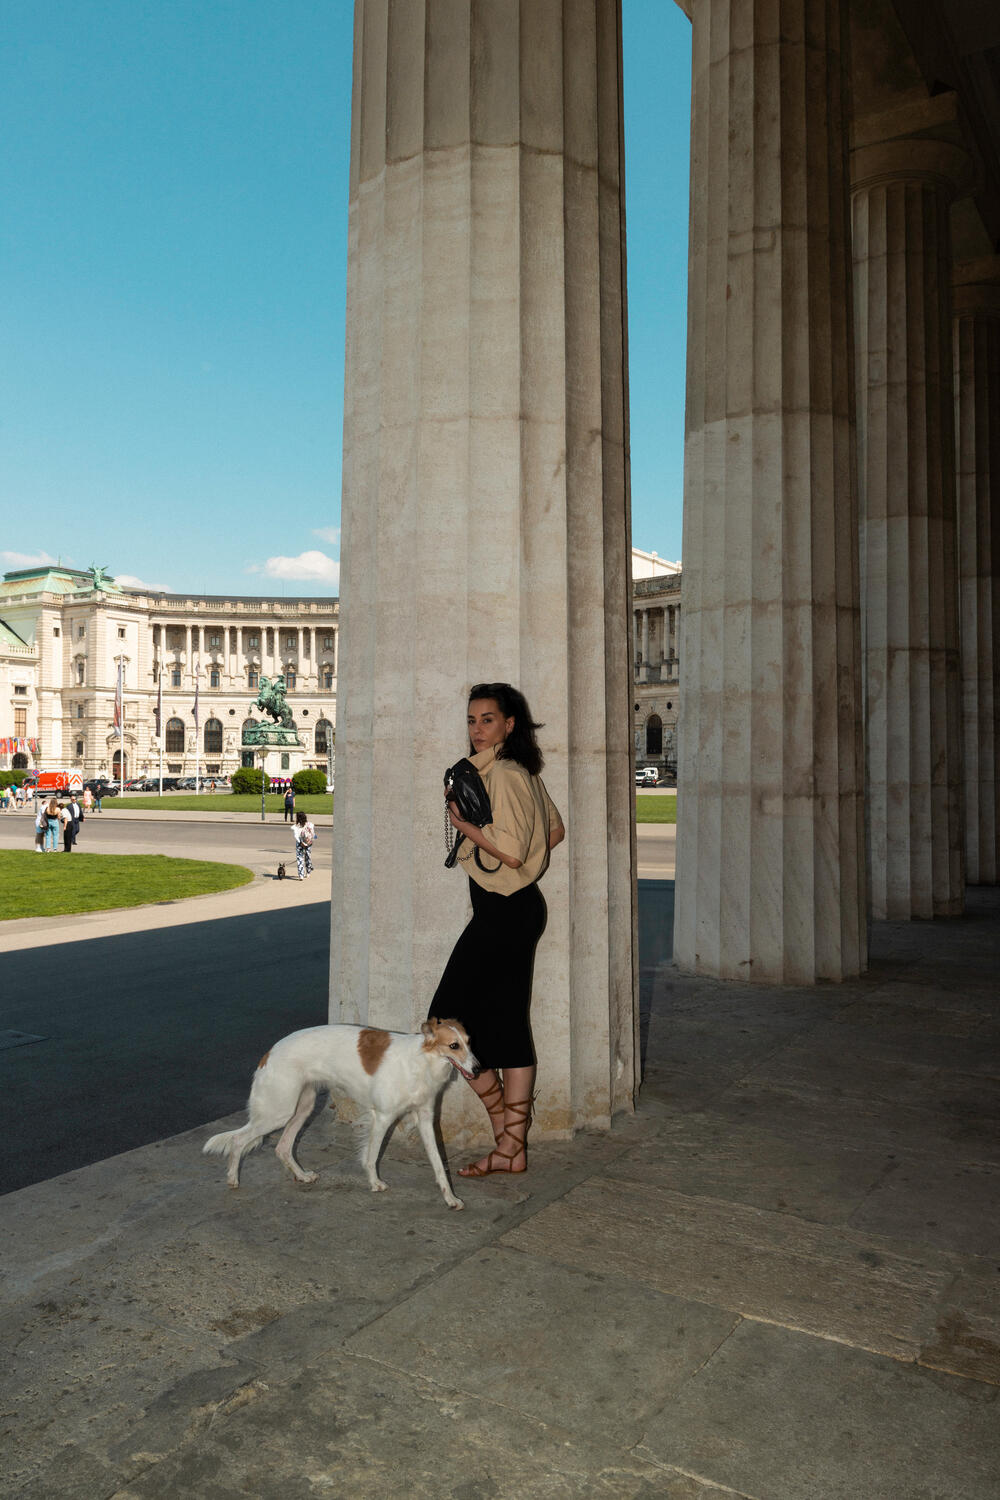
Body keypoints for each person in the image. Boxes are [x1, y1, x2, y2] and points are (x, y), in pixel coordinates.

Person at [429, 682, 565, 1179]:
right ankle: (511, 1145)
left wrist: (462, 823)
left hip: (506, 911)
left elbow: (509, 850)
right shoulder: (515, 772)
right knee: (500, 1025)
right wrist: (522, 861)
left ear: (510, 724)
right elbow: (554, 831)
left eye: (488, 719)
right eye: (471, 720)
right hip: (508, 909)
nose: (477, 729)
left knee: (446, 1020)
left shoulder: (503, 775)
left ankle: (507, 1137)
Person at [293, 809, 315, 880]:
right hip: (308, 843)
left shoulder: (297, 826)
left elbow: (296, 836)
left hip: (300, 844)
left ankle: (301, 875)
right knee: (307, 857)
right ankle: (308, 872)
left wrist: (301, 842)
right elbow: (313, 835)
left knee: (300, 859)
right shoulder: (310, 824)